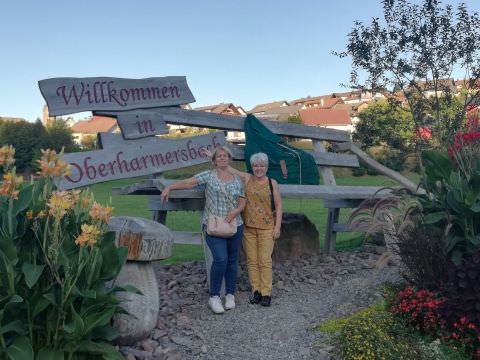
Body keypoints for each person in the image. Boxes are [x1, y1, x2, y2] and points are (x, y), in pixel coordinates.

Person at [160, 146, 245, 314]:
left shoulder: (237, 179)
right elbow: (187, 182)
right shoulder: (208, 176)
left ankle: (230, 294)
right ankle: (214, 296)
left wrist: (235, 211)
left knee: (232, 260)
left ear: (229, 159)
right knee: (220, 259)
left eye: (225, 156)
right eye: (219, 156)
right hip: (213, 225)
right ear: (214, 161)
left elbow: (242, 201)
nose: (222, 158)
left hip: (235, 224)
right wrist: (169, 187)